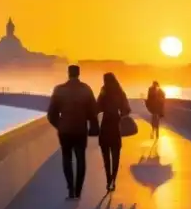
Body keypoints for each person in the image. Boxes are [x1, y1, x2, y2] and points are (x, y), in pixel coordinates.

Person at [47, 65, 99, 200]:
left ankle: (70, 189)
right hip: (80, 129)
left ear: (68, 73)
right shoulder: (86, 89)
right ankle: (78, 190)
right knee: (81, 158)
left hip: (65, 131)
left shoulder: (59, 90)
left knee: (67, 158)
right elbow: (94, 112)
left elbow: (51, 114)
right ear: (79, 74)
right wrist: (92, 125)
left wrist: (60, 125)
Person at [97, 72, 131, 192]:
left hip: (105, 125)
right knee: (115, 155)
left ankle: (108, 180)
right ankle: (113, 181)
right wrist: (121, 114)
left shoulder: (103, 91)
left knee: (106, 156)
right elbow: (127, 109)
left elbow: (97, 107)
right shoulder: (119, 92)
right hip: (115, 125)